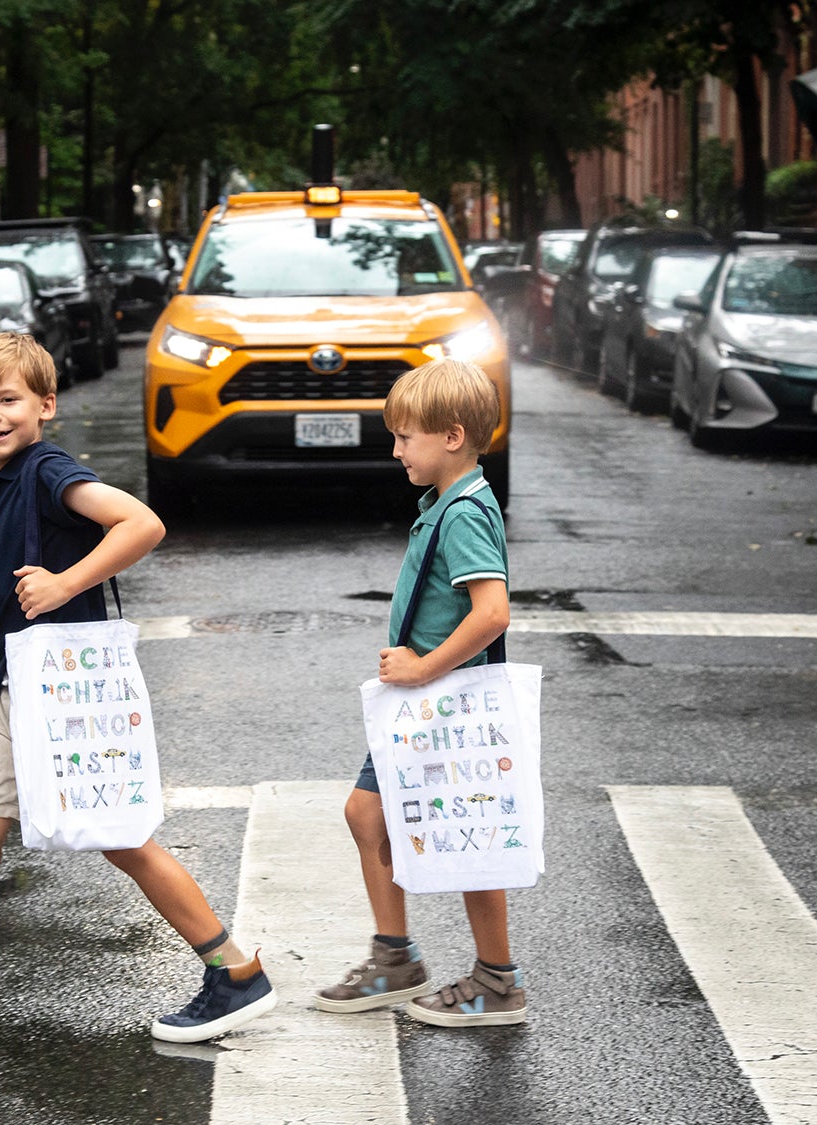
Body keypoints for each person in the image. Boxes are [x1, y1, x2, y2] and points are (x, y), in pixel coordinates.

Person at [0, 333, 275, 1042]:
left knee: (122, 838)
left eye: (8, 399)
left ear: (45, 403)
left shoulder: (45, 471)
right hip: (31, 687)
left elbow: (142, 521)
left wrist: (66, 581)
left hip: (61, 692)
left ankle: (234, 971)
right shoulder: (7, 480)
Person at [313, 359, 526, 1027]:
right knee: (368, 814)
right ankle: (396, 956)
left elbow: (492, 613)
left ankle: (497, 980)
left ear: (452, 436)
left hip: (448, 702)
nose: (397, 449)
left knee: (471, 838)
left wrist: (423, 667)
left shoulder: (464, 512)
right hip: (426, 703)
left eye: (406, 437)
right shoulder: (446, 502)